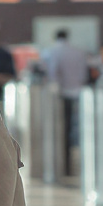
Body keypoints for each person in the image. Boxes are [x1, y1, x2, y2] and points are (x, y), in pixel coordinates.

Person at [41, 29, 90, 170]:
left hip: (62, 95)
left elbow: (53, 73)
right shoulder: (79, 52)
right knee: (79, 129)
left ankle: (65, 163)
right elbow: (84, 74)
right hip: (79, 94)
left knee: (63, 129)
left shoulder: (52, 52)